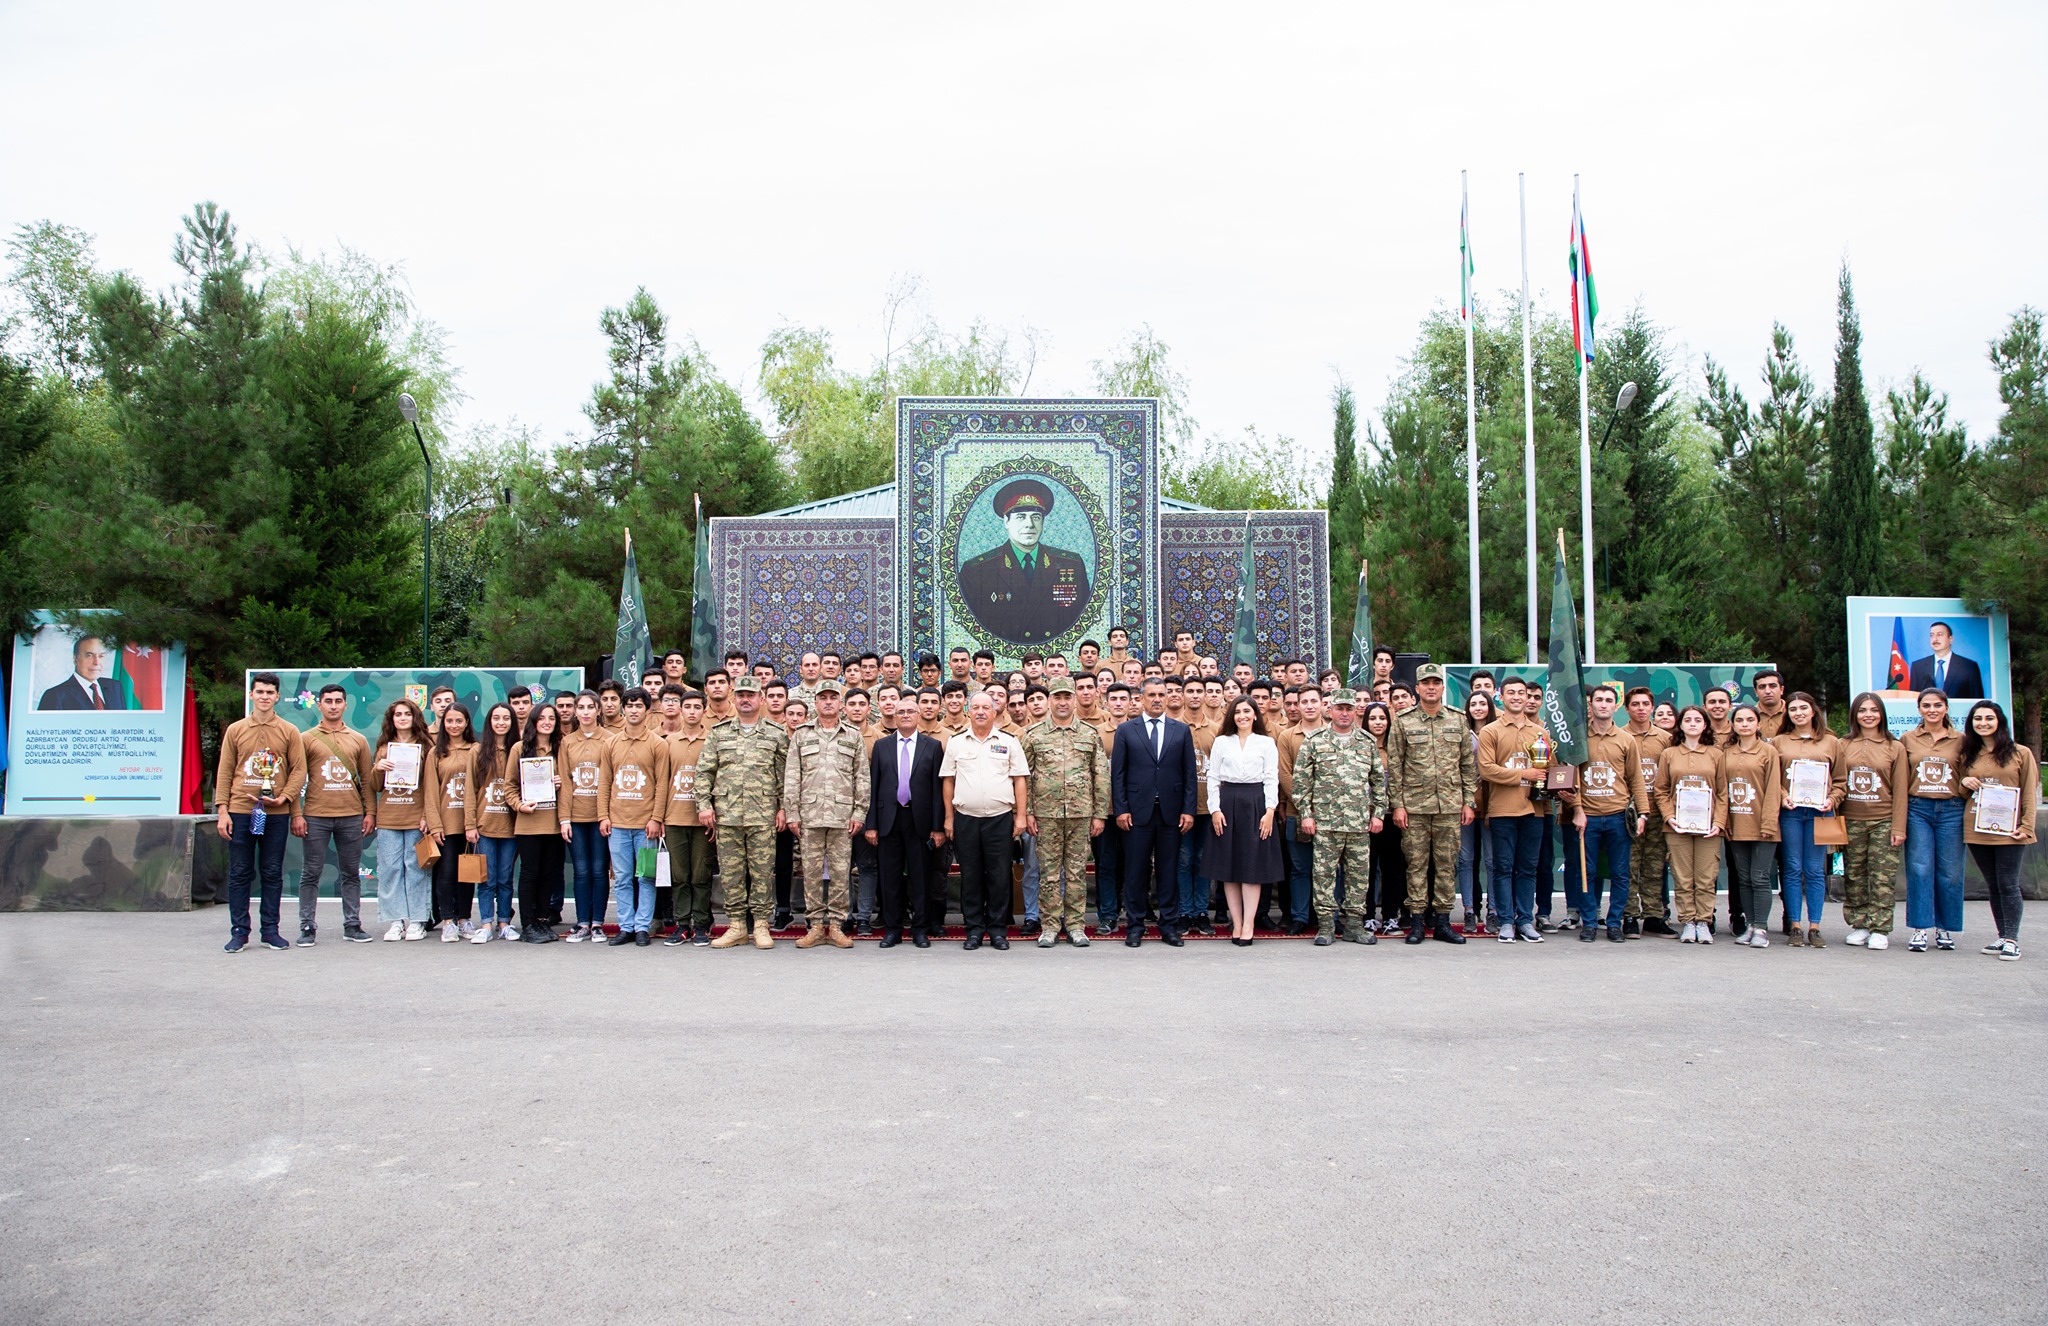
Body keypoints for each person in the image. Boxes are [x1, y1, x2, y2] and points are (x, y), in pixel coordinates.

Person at [214, 672, 308, 952]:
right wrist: (223, 811)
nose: (265, 697)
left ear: (277, 696)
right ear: (251, 694)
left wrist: (285, 799)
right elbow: (225, 771)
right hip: (240, 811)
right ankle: (239, 932)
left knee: (271, 871)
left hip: (276, 813)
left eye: (270, 692)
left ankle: (270, 931)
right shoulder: (236, 730)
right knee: (240, 872)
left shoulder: (289, 731)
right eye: (260, 692)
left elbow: (298, 770)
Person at [1387, 665, 1476, 945]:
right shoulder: (1403, 721)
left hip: (1449, 806)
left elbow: (1467, 764)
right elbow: (1396, 766)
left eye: (1436, 682)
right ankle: (1416, 922)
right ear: (1417, 688)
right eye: (1426, 682)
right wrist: (1398, 805)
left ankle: (1443, 922)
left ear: (1442, 687)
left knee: (1447, 865)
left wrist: (1468, 802)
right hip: (1414, 808)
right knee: (1415, 865)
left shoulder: (1458, 720)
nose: (1431, 687)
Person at [1293, 689, 1388, 945]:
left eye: (1349, 709)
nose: (1344, 713)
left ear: (1355, 711)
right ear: (1330, 710)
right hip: (1325, 822)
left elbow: (1378, 781)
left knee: (1358, 876)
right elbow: (1301, 782)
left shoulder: (1367, 741)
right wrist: (1306, 814)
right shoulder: (1315, 741)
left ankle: (1354, 926)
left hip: (1359, 823)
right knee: (1323, 875)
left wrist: (1378, 814)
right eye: (1339, 708)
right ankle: (1326, 926)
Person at [699, 676, 788, 950]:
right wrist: (704, 805)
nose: (746, 699)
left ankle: (761, 924)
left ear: (761, 699)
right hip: (727, 815)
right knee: (731, 873)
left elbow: (785, 775)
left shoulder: (776, 733)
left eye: (751, 695)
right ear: (733, 699)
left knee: (762, 873)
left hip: (763, 815)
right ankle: (737, 925)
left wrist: (784, 808)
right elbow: (704, 771)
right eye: (741, 695)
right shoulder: (719, 732)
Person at [1111, 678, 1198, 947]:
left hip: (1171, 813)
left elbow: (1189, 774)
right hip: (1137, 813)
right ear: (1141, 698)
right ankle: (1135, 926)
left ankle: (1169, 926)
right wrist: (1121, 809)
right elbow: (1118, 774)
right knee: (1136, 871)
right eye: (1152, 695)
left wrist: (1188, 810)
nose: (1157, 699)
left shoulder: (1180, 730)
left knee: (1168, 871)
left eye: (1162, 694)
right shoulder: (1126, 730)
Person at [1023, 677, 1109, 947]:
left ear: (1074, 699)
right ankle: (1049, 926)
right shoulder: (1034, 734)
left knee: (1075, 873)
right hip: (1045, 815)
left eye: (1067, 697)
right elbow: (1024, 777)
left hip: (1080, 814)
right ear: (1050, 700)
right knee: (1048, 873)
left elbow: (1100, 775)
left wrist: (1099, 813)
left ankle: (1075, 925)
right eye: (1057, 697)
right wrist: (1027, 812)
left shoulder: (1089, 734)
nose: (1062, 702)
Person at [784, 679, 869, 950]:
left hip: (842, 815)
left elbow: (861, 777)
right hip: (809, 815)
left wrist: (860, 812)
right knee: (810, 873)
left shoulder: (852, 735)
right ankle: (815, 926)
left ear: (840, 704)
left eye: (833, 697)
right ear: (816, 702)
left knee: (840, 873)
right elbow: (792, 776)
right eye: (824, 697)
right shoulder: (802, 734)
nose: (829, 701)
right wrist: (792, 812)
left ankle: (835, 926)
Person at [941, 692, 1030, 950]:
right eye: (976, 707)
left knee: (999, 876)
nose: (980, 712)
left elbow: (1019, 779)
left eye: (986, 707)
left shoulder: (1009, 741)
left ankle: (998, 930)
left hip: (999, 819)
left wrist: (1020, 815)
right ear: (968, 711)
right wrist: (949, 817)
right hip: (966, 819)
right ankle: (974, 930)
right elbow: (948, 781)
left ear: (994, 712)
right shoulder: (956, 742)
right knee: (971, 876)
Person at [1563, 684, 1649, 943]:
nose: (1603, 704)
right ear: (1590, 704)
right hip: (1587, 816)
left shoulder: (1626, 739)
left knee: (1620, 873)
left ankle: (1614, 924)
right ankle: (1589, 923)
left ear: (1616, 705)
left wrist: (1643, 814)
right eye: (1598, 700)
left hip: (1618, 816)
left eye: (1608, 700)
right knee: (1586, 873)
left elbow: (1636, 779)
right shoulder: (1579, 738)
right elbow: (1572, 778)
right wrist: (1577, 809)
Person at [293, 683, 375, 946]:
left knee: (351, 873)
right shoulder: (306, 738)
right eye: (328, 701)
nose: (333, 706)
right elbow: (296, 778)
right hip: (315, 815)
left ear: (345, 705)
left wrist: (370, 813)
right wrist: (296, 814)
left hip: (351, 815)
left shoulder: (358, 739)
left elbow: (367, 779)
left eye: (338, 701)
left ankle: (352, 925)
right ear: (319, 705)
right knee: (311, 873)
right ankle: (307, 926)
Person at [865, 697, 947, 947]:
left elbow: (937, 790)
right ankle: (893, 929)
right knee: (890, 878)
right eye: (901, 712)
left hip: (920, 820)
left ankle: (920, 929)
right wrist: (872, 824)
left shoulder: (933, 746)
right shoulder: (882, 746)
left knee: (920, 877)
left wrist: (938, 827)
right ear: (894, 716)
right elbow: (874, 786)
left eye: (911, 711)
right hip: (889, 819)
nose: (906, 715)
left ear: (919, 716)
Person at [1958, 700, 2037, 961]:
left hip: (2010, 830)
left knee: (2008, 883)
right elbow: (1961, 792)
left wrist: (2027, 826)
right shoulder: (1969, 754)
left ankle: (2012, 939)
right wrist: (1965, 781)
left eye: (1989, 718)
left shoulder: (2021, 753)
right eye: (1978, 719)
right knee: (1993, 884)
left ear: (1999, 721)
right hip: (1977, 827)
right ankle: (2002, 936)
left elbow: (2029, 792)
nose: (1983, 723)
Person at [1203, 697, 1284, 945]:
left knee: (1251, 868)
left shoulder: (1266, 743)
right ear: (1232, 716)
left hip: (1256, 803)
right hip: (1227, 802)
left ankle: (1249, 924)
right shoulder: (1221, 742)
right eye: (1237, 712)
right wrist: (1215, 810)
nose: (1242, 716)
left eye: (1247, 711)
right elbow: (1213, 778)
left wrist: (1270, 811)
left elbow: (1271, 778)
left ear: (1255, 715)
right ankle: (1236, 923)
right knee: (1229, 869)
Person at [1772, 692, 1845, 948]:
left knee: (1815, 870)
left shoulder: (1832, 742)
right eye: (1793, 709)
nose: (1798, 713)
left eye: (1803, 708)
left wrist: (1832, 799)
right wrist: (1783, 796)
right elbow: (1772, 778)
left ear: (1813, 711)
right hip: (1791, 812)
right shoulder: (1778, 742)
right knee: (1792, 868)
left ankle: (1815, 926)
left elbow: (1841, 781)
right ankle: (1795, 925)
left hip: (1820, 813)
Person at [599, 687, 669, 947]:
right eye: (629, 705)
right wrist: (603, 816)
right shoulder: (611, 744)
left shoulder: (658, 744)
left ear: (647, 710)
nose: (633, 710)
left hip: (645, 825)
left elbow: (662, 784)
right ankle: (626, 926)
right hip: (617, 824)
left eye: (639, 705)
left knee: (646, 877)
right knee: (622, 879)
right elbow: (604, 783)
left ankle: (642, 927)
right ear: (623, 709)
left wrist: (656, 818)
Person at [1478, 677, 1546, 943]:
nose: (1517, 697)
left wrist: (1560, 784)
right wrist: (1523, 774)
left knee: (1528, 869)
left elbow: (1548, 769)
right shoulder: (1490, 731)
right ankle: (1506, 921)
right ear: (1501, 696)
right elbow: (1487, 770)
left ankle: (1525, 920)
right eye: (1511, 693)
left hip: (1534, 810)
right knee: (1503, 868)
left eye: (1521, 693)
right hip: (1502, 810)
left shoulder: (1540, 732)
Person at [1840, 692, 1909, 950]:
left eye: (1873, 710)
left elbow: (1901, 790)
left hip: (1884, 819)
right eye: (1862, 710)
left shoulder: (1895, 747)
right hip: (1851, 819)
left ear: (1881, 714)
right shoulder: (1843, 744)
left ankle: (1880, 928)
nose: (1868, 715)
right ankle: (1859, 924)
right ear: (1854, 715)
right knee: (1854, 874)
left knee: (1882, 876)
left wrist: (1899, 826)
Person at [1654, 706, 1726, 944]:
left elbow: (1723, 793)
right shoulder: (1669, 754)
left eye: (1697, 720)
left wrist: (1718, 822)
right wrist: (1669, 816)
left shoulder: (1716, 755)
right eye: (1688, 720)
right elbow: (1661, 790)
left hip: (1708, 827)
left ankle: (1704, 921)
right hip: (1677, 826)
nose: (1692, 723)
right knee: (1683, 877)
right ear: (1681, 725)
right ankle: (1688, 922)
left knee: (1705, 877)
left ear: (1705, 725)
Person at [1901, 688, 1967, 952]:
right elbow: (1902, 777)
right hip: (1918, 808)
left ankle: (1944, 928)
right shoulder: (1908, 739)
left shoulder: (1961, 739)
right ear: (1919, 709)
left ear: (1946, 708)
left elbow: (1967, 773)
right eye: (1926, 705)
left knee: (1950, 872)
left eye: (1937, 705)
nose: (1932, 710)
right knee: (1919, 868)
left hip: (1952, 809)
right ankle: (1920, 928)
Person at [368, 698, 432, 941]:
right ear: (391, 719)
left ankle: (417, 920)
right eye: (398, 714)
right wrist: (378, 768)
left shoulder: (426, 746)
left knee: (416, 869)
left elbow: (430, 785)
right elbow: (375, 786)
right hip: (388, 818)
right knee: (390, 870)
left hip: (415, 818)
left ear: (415, 718)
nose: (402, 718)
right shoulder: (384, 747)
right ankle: (395, 920)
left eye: (407, 714)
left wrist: (426, 815)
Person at [1720, 704, 1783, 948]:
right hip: (1737, 824)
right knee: (1744, 878)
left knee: (1760, 877)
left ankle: (1762, 928)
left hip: (1762, 824)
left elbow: (1774, 789)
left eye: (1749, 720)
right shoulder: (1727, 753)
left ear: (1758, 724)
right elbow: (1723, 791)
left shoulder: (1768, 751)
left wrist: (1768, 822)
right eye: (1740, 720)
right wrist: (1725, 821)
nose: (1744, 724)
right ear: (1733, 724)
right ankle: (1750, 925)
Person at [558, 691, 614, 942]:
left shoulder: (610, 740)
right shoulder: (568, 742)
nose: (585, 712)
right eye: (581, 707)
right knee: (581, 871)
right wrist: (564, 819)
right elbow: (565, 783)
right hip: (576, 817)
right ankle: (582, 923)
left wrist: (606, 815)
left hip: (601, 817)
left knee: (600, 870)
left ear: (598, 710)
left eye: (590, 707)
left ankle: (598, 923)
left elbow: (611, 781)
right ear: (575, 712)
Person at [465, 702, 522, 943]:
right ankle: (486, 923)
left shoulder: (519, 749)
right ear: (489, 722)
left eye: (506, 718)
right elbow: (470, 790)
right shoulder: (477, 751)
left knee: (505, 878)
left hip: (511, 826)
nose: (501, 722)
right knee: (486, 878)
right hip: (484, 825)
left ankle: (504, 923)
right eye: (496, 718)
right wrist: (470, 824)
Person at [508, 700, 564, 943]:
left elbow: (570, 782)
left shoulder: (561, 747)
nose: (547, 722)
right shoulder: (519, 748)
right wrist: (519, 805)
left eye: (551, 718)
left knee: (548, 873)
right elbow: (509, 786)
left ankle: (542, 920)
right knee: (530, 874)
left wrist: (561, 783)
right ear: (534, 721)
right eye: (542, 718)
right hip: (529, 823)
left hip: (554, 822)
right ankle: (528, 924)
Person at [1622, 687, 1675, 936]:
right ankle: (1630, 916)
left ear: (1652, 708)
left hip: (1658, 812)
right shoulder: (1620, 736)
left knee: (1654, 868)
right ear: (1626, 708)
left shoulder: (1666, 738)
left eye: (1645, 704)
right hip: (1629, 815)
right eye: (1635, 704)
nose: (1641, 708)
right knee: (1629, 867)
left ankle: (1654, 916)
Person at [424, 703, 479, 941]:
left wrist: (474, 823)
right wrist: (435, 825)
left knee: (467, 873)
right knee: (446, 873)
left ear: (466, 723)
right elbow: (430, 792)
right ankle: (448, 921)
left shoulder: (476, 749)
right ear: (443, 723)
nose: (454, 725)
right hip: (446, 824)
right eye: (449, 721)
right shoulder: (435, 753)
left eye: (459, 721)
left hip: (471, 824)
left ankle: (464, 919)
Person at [1363, 701, 1406, 934]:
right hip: (1366, 817)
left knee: (1393, 868)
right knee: (1366, 869)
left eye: (1382, 718)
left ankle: (1390, 916)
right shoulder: (1359, 746)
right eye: (1373, 718)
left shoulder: (1396, 747)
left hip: (1393, 816)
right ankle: (1368, 916)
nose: (1377, 723)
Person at [1456, 690, 1496, 934]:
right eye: (1473, 704)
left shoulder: (1497, 731)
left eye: (1482, 703)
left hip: (1494, 803)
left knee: (1492, 861)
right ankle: (1469, 910)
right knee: (1466, 859)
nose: (1478, 708)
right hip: (1466, 804)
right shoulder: (1462, 733)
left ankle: (1493, 911)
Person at [39, 633, 130, 710]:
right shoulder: (55, 695)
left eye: (101, 656)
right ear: (75, 659)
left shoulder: (115, 687)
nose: (96, 662)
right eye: (89, 655)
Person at [1908, 621, 1984, 699]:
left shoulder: (1969, 667)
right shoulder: (1918, 667)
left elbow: (1977, 699)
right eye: (1931, 635)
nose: (1935, 639)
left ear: (1950, 639)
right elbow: (1913, 700)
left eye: (1939, 634)